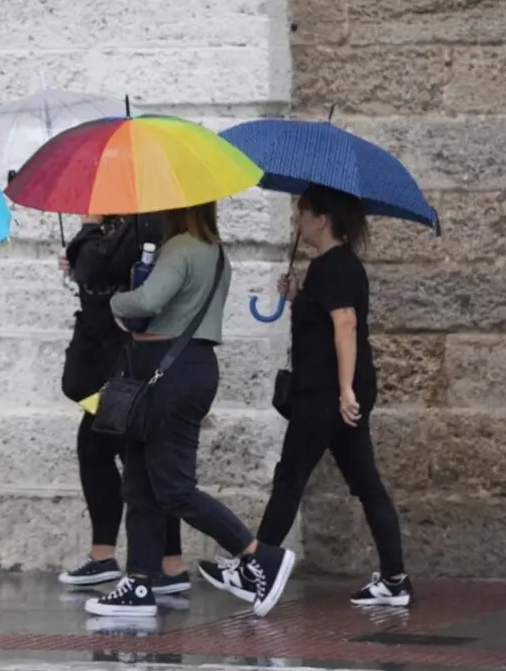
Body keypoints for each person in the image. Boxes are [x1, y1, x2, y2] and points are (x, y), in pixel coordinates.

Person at [198, 185, 412, 608]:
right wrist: (298, 296)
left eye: (303, 214)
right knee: (366, 484)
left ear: (322, 220)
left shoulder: (334, 267)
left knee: (290, 476)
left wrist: (345, 389)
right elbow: (327, 319)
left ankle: (256, 567)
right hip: (333, 391)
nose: (299, 222)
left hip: (325, 393)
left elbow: (345, 324)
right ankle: (394, 578)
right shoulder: (334, 268)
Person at [84, 202, 296, 620]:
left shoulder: (181, 248)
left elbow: (149, 299)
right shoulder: (214, 250)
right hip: (180, 369)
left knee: (174, 487)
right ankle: (139, 582)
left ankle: (259, 557)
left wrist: (114, 301)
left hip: (170, 371)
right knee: (140, 485)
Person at [56, 214, 191, 596]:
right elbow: (92, 266)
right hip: (106, 361)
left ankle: (166, 565)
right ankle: (125, 558)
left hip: (126, 361)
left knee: (137, 458)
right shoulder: (119, 226)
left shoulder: (144, 222)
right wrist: (79, 249)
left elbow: (98, 264)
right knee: (100, 450)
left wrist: (86, 233)